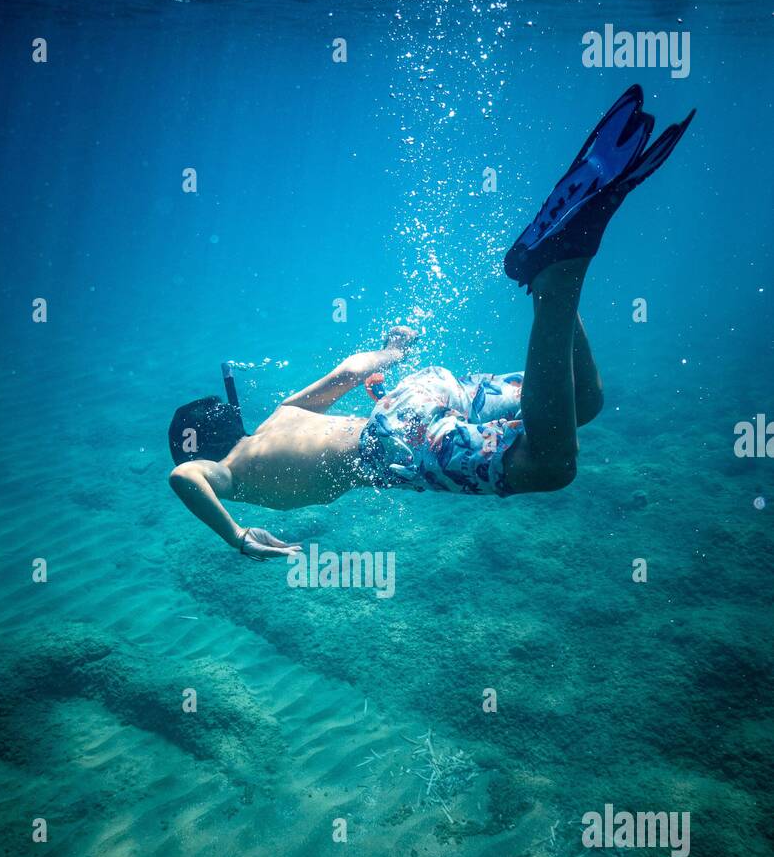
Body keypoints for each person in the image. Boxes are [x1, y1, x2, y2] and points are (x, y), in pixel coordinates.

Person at [169, 85, 694, 560]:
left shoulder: (233, 471)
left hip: (395, 440)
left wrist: (237, 536)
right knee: (583, 399)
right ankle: (543, 275)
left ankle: (558, 279)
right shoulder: (279, 416)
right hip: (416, 394)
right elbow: (351, 371)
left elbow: (184, 476)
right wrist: (394, 350)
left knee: (552, 464)